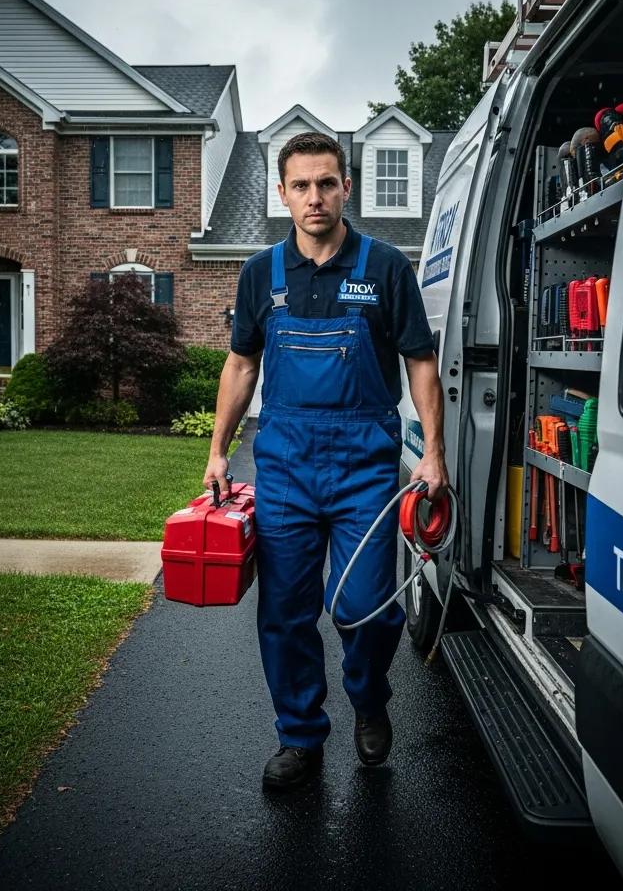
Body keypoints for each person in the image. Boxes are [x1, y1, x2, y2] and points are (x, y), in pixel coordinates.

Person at [203, 130, 448, 790]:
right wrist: (219, 451)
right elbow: (241, 364)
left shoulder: (386, 267)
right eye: (301, 186)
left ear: (347, 187)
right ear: (281, 194)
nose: (315, 197)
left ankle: (368, 695)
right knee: (285, 611)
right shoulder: (261, 274)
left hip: (365, 469)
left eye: (327, 183)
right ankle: (301, 738)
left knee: (363, 606)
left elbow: (420, 361)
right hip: (284, 468)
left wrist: (433, 455)